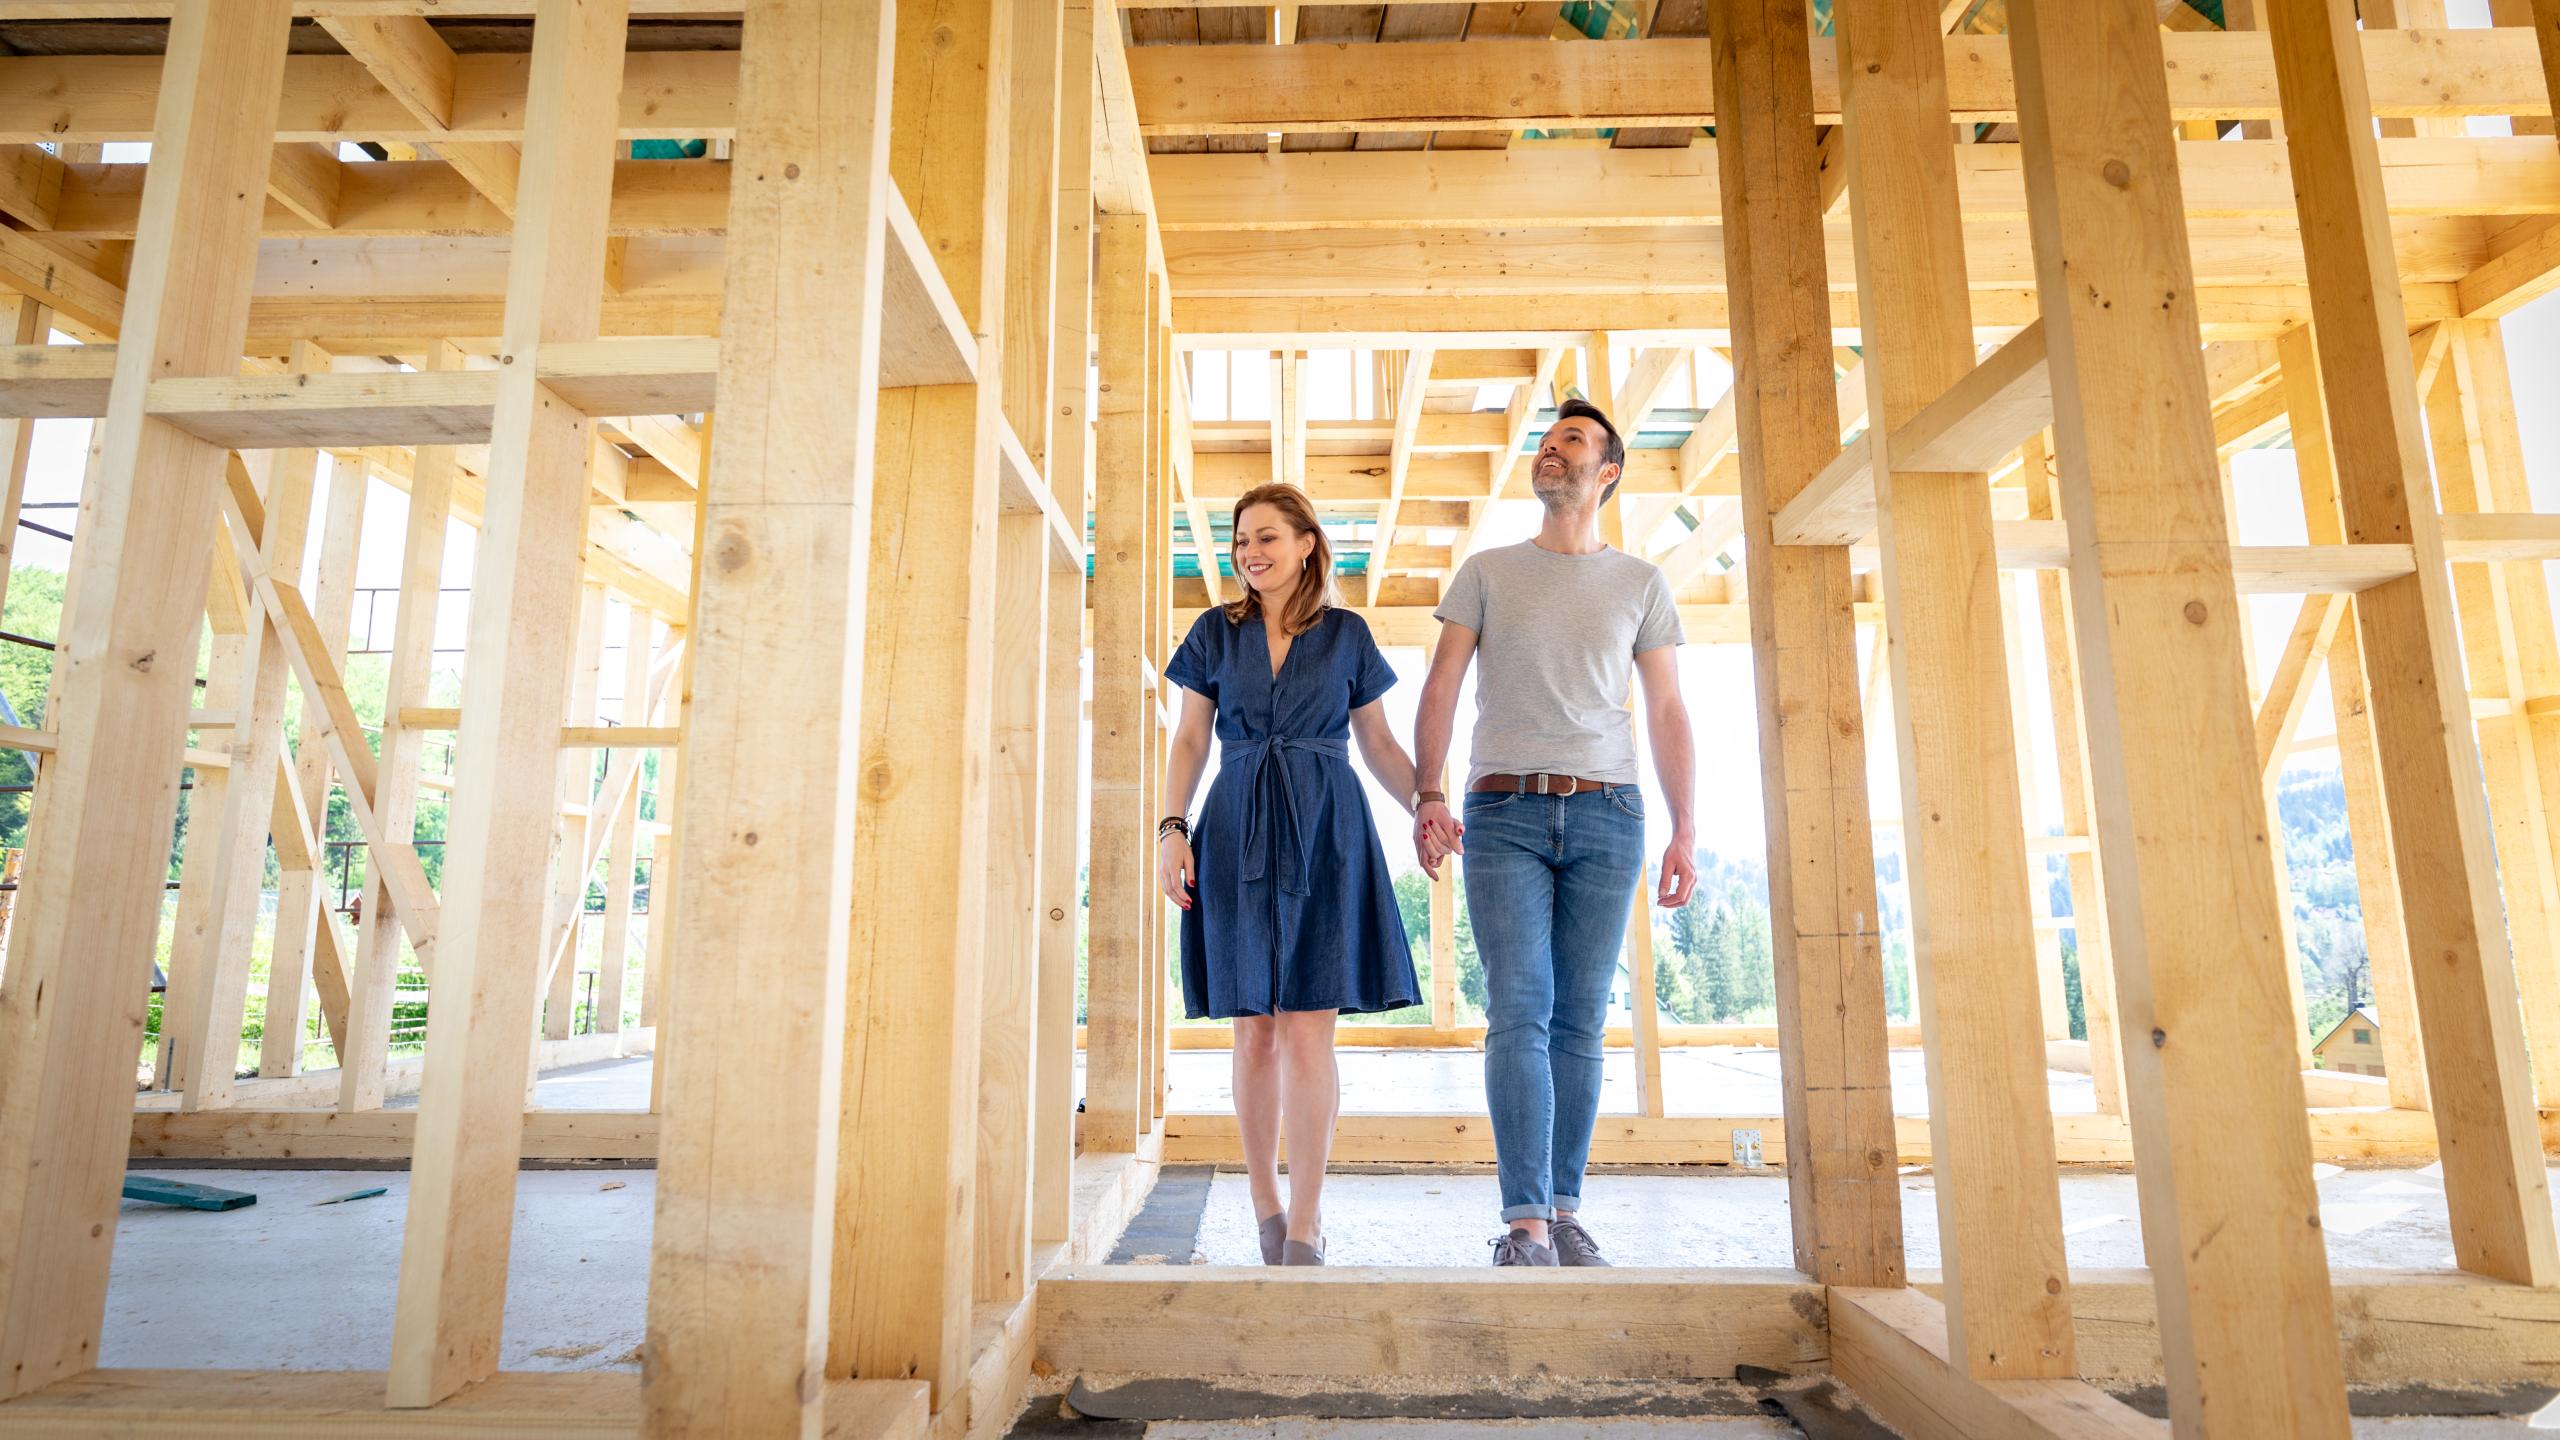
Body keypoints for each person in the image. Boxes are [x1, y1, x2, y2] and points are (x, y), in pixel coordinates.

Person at [1412, 397, 1699, 1268]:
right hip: (1503, 813)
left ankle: (1564, 1213)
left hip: (1612, 812)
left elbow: (1667, 708)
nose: (1550, 451)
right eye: (1544, 442)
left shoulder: (1641, 582)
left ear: (1606, 472)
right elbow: (1441, 686)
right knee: (1520, 1011)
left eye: (1570, 441)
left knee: (1580, 1020)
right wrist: (1428, 792)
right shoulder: (1489, 571)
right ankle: (1526, 1225)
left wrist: (1686, 828)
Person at [1157, 482, 1431, 1266]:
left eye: (1268, 537)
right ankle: (1264, 1205)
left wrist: (1428, 802)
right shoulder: (1215, 632)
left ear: (1308, 543)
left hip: (1326, 826)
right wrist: (1173, 829)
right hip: (1236, 820)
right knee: (1254, 1031)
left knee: (1311, 1026)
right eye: (1242, 539)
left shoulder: (1346, 633)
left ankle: (1307, 1222)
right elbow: (1188, 742)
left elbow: (1377, 742)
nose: (1251, 551)